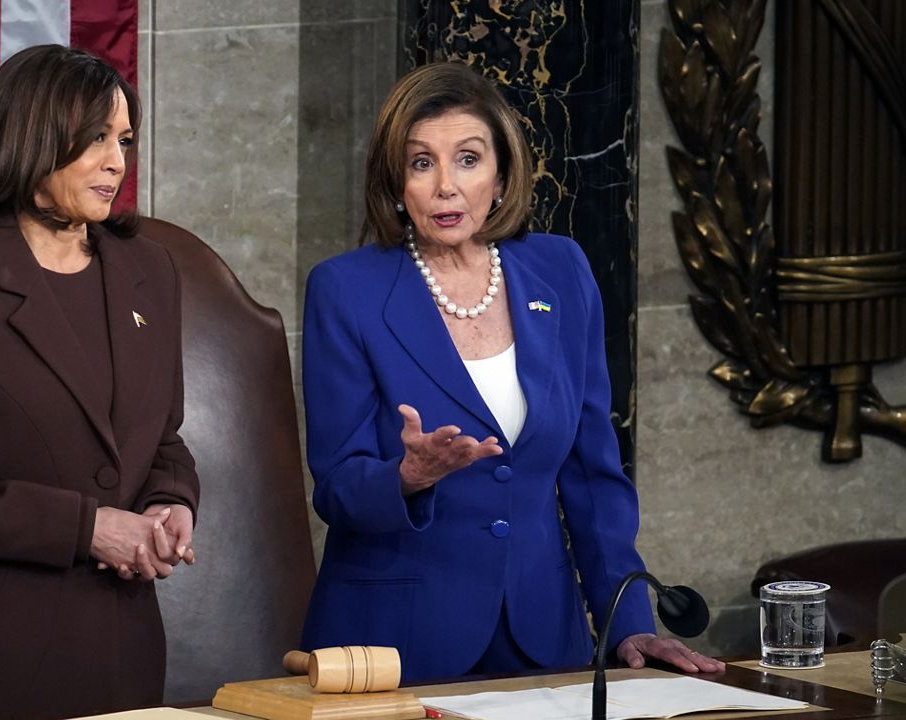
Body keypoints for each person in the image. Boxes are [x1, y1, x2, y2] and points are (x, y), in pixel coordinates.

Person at [298, 62, 724, 681]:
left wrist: (628, 619)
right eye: (422, 163)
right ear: (395, 180)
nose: (446, 186)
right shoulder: (347, 290)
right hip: (393, 646)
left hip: (543, 640)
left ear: (501, 174)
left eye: (468, 159)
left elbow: (592, 473)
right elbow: (336, 487)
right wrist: (407, 476)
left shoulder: (561, 270)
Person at [0, 44, 198, 719]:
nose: (117, 160)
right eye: (97, 139)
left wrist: (171, 501)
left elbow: (160, 437)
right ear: (33, 138)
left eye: (125, 140)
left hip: (122, 649)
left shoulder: (151, 273)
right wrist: (85, 529)